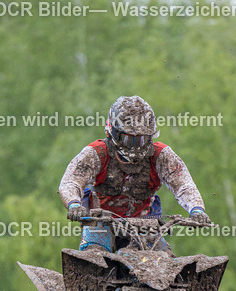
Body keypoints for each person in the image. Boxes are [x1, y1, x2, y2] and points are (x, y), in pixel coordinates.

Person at [58, 95, 212, 254]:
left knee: (165, 261)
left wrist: (196, 210)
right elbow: (71, 182)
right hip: (100, 223)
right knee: (92, 257)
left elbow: (184, 185)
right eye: (129, 140)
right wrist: (74, 204)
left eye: (142, 139)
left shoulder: (161, 155)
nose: (136, 147)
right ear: (114, 132)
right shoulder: (96, 153)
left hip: (145, 224)